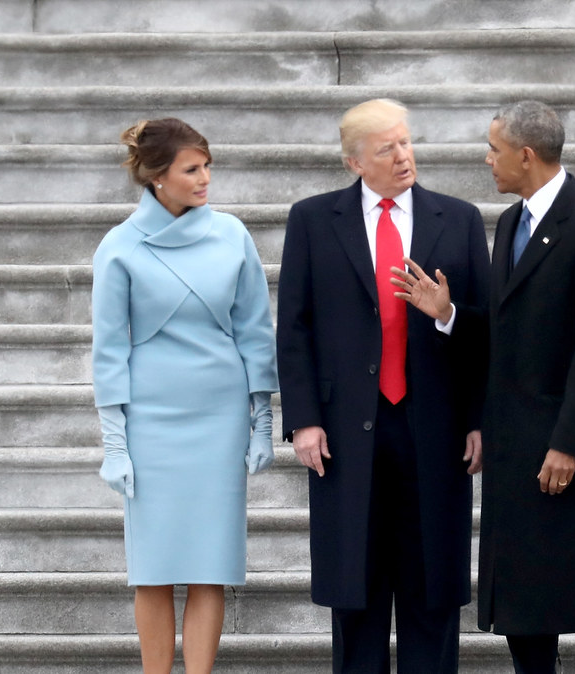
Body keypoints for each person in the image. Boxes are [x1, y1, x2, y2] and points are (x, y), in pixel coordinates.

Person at [275, 98, 491, 674]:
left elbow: (485, 329)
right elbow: (293, 327)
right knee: (356, 596)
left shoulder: (460, 218)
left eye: (406, 142)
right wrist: (303, 419)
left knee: (432, 596)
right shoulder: (313, 220)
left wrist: (477, 415)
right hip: (346, 433)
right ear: (354, 163)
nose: (403, 157)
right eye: (386, 149)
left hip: (435, 430)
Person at [91, 118, 279, 674]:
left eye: (206, 166)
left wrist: (261, 418)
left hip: (218, 420)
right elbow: (109, 350)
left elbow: (254, 329)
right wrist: (114, 442)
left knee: (209, 563)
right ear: (156, 179)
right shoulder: (119, 248)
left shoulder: (232, 235)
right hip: (151, 423)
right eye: (192, 169)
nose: (205, 179)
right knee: (152, 567)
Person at [473, 99, 575, 673]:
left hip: (574, 453)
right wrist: (448, 313)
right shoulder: (512, 221)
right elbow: (512, 325)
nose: (486, 160)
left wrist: (568, 443)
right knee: (525, 613)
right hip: (517, 451)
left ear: (524, 154)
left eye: (494, 150)